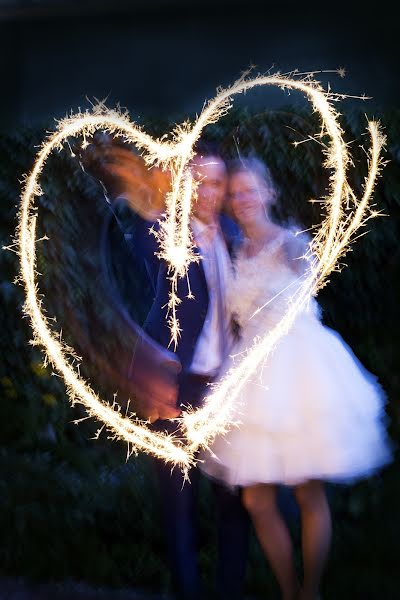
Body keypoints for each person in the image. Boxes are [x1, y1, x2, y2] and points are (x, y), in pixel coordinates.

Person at [200, 157, 392, 600]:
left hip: (297, 367)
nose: (242, 199)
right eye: (235, 193)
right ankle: (290, 591)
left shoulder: (290, 242)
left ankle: (312, 590)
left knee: (308, 491)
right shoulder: (232, 251)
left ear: (269, 193)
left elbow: (307, 308)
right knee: (256, 500)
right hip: (250, 370)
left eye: (250, 190)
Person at [94, 140, 250, 600]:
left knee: (233, 507)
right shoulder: (163, 231)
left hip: (226, 391)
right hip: (173, 391)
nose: (207, 191)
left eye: (216, 183)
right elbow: (141, 230)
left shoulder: (235, 237)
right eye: (198, 181)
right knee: (178, 511)